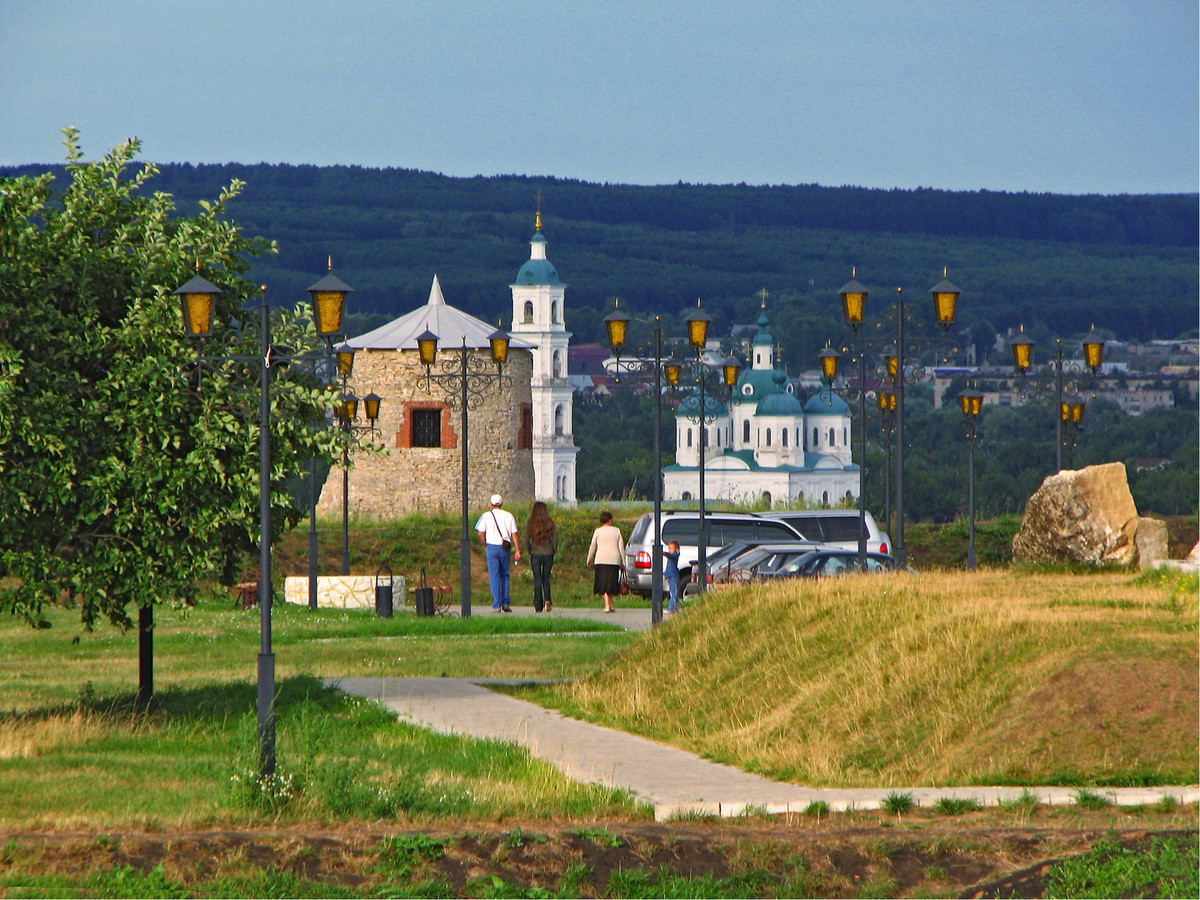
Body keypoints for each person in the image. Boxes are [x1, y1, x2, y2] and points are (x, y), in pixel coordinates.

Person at [474, 494, 521, 612]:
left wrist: (484, 543)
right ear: (502, 503)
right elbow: (514, 534)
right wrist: (518, 549)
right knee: (505, 575)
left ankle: (496, 605)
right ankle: (506, 603)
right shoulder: (509, 516)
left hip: (491, 547)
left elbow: (480, 532)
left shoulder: (486, 516)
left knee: (494, 576)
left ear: (491, 504)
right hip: (504, 547)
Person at [586, 510, 625, 613]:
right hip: (614, 560)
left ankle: (607, 605)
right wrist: (623, 562)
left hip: (601, 560)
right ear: (609, 520)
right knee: (612, 583)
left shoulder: (598, 531)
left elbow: (593, 546)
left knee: (603, 583)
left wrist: (589, 559)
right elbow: (621, 548)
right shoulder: (617, 531)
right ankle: (610, 604)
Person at [525, 501, 557, 613]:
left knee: (537, 579)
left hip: (535, 553)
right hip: (548, 552)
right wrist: (554, 550)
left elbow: (526, 540)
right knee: (546, 578)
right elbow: (555, 539)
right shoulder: (550, 522)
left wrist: (529, 550)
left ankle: (538, 605)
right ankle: (548, 599)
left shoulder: (531, 523)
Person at [664, 540, 681, 614]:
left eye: (671, 548)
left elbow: (670, 555)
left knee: (673, 593)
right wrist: (666, 574)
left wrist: (664, 553)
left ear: (676, 549)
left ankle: (671, 609)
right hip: (671, 576)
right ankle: (677, 606)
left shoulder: (675, 556)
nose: (669, 550)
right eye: (669, 548)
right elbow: (668, 568)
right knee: (673, 592)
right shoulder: (670, 558)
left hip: (674, 576)